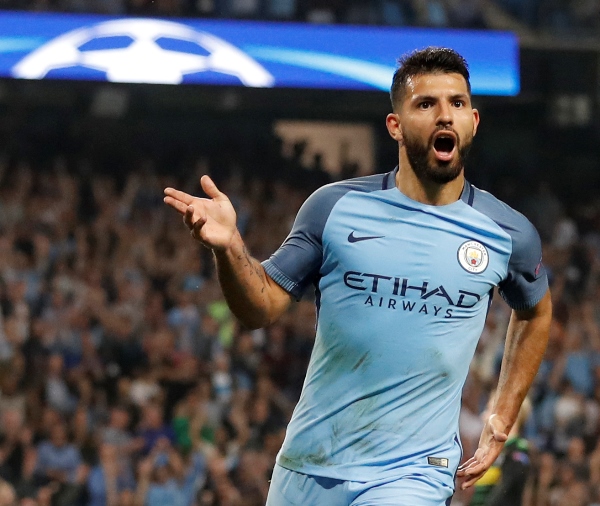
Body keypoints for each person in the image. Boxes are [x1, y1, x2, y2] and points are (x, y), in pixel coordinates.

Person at [164, 47, 552, 505]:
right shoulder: (334, 207)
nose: (445, 116)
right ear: (396, 125)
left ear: (473, 121)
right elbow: (259, 307)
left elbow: (536, 312)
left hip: (414, 475)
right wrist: (230, 249)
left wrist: (500, 417)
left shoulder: (507, 233)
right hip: (310, 464)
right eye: (426, 104)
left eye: (457, 103)